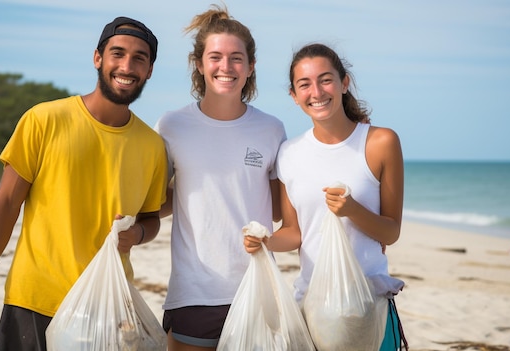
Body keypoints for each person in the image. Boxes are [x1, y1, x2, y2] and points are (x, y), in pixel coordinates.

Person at [0, 16, 168, 350]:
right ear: (98, 58)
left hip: (107, 305)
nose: (127, 66)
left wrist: (137, 234)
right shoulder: (44, 119)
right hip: (34, 299)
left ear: (149, 70)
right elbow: (6, 202)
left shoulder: (152, 146)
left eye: (139, 58)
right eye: (117, 53)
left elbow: (150, 217)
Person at [244, 43, 408, 350]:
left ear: (344, 83)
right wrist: (266, 243)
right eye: (304, 84)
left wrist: (352, 210)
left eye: (325, 79)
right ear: (294, 96)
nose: (316, 91)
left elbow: (391, 231)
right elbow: (295, 233)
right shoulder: (289, 154)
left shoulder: (381, 142)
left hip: (368, 309)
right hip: (313, 310)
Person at [154, 4, 286, 350]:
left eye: (236, 58)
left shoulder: (271, 129)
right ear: (199, 63)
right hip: (193, 290)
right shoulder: (172, 126)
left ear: (251, 66)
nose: (225, 67)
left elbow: (278, 209)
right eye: (215, 57)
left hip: (258, 287)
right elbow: (163, 199)